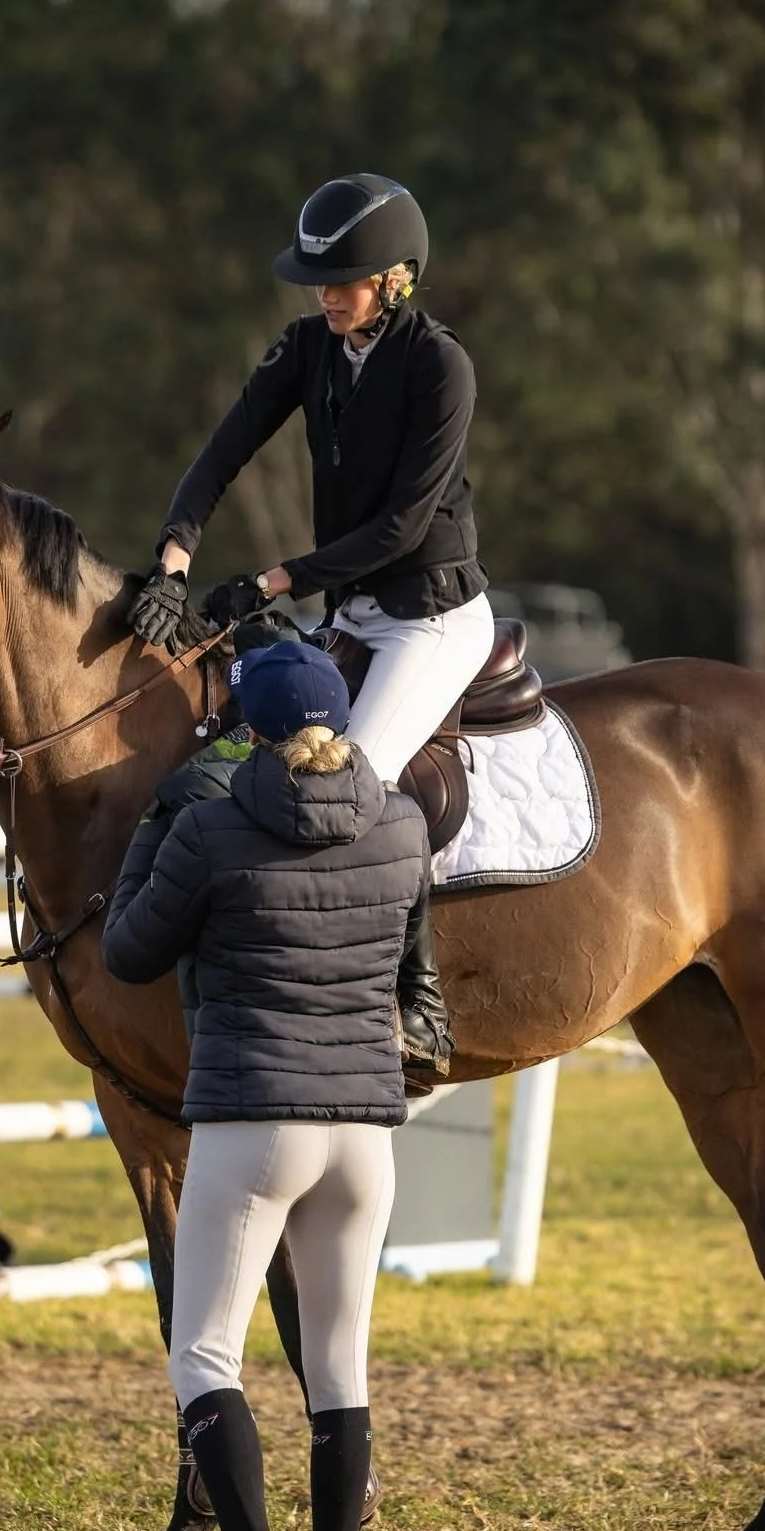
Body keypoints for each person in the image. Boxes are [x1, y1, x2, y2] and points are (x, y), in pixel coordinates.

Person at [102, 640, 430, 1531]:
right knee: (340, 1371)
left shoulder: (207, 829)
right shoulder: (406, 826)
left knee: (204, 1354)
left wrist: (153, 836)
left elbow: (125, 950)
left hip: (254, 1121)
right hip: (366, 1135)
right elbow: (411, 969)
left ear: (252, 731)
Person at [129, 172, 493, 1075]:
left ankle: (419, 997)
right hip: (356, 609)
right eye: (320, 282)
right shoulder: (309, 348)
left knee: (348, 788)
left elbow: (401, 529)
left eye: (346, 281)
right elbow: (223, 451)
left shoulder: (440, 366)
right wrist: (175, 555)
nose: (327, 296)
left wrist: (272, 579)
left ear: (399, 279)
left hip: (432, 619)